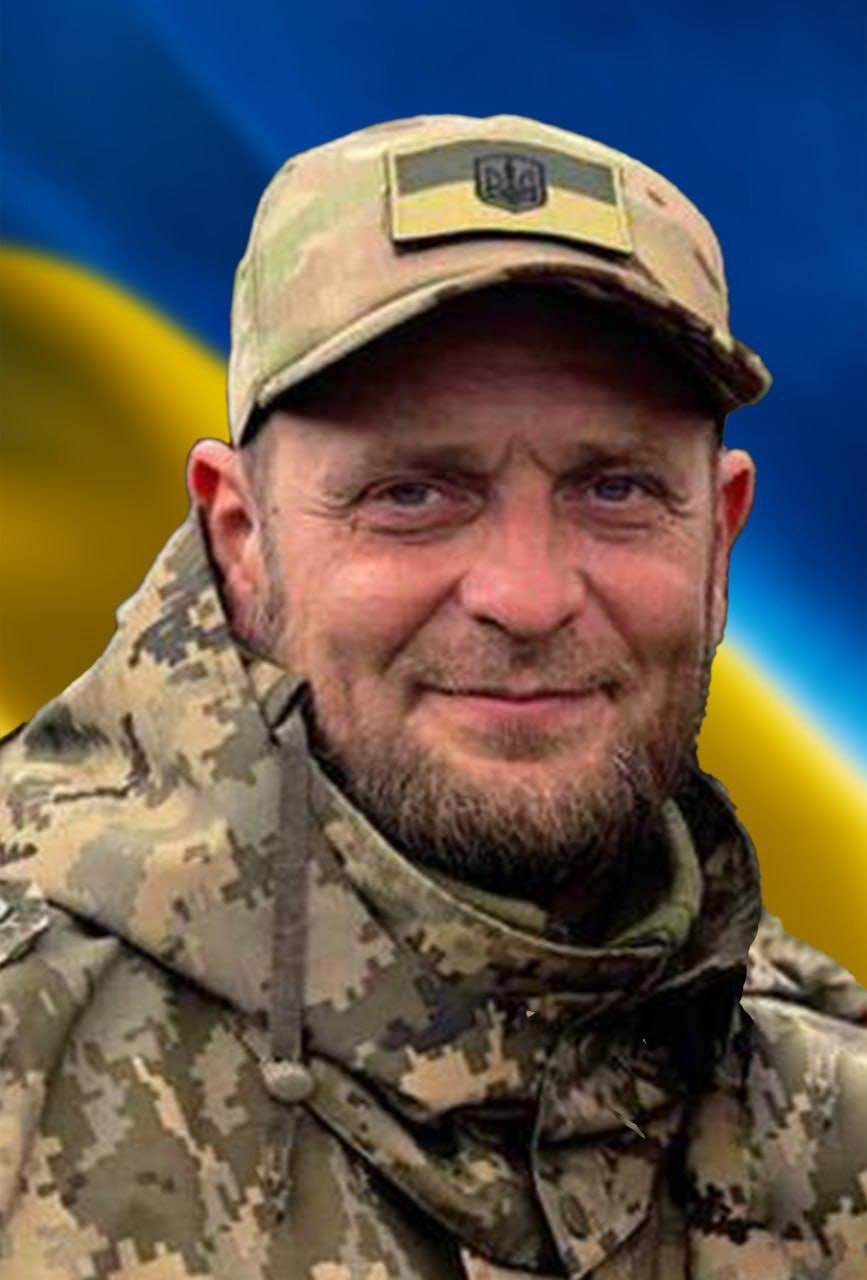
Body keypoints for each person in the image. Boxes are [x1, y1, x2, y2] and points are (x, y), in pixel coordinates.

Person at [0, 114, 865, 1279]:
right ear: (241, 539)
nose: (527, 595)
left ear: (720, 538)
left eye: (615, 488)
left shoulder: (835, 1120)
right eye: (413, 493)